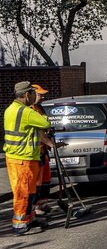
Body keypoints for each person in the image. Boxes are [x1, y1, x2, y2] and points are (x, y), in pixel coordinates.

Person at [3, 81, 52, 235]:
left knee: (29, 191)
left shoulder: (10, 109)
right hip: (22, 158)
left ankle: (29, 218)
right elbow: (45, 123)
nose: (34, 97)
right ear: (26, 95)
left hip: (18, 157)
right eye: (32, 94)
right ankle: (19, 224)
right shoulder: (26, 112)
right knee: (23, 192)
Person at [31, 84, 53, 216]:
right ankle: (35, 207)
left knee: (46, 179)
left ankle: (43, 203)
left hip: (43, 150)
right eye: (40, 94)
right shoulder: (30, 110)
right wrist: (51, 143)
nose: (43, 97)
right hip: (35, 151)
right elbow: (38, 133)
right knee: (37, 182)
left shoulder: (39, 108)